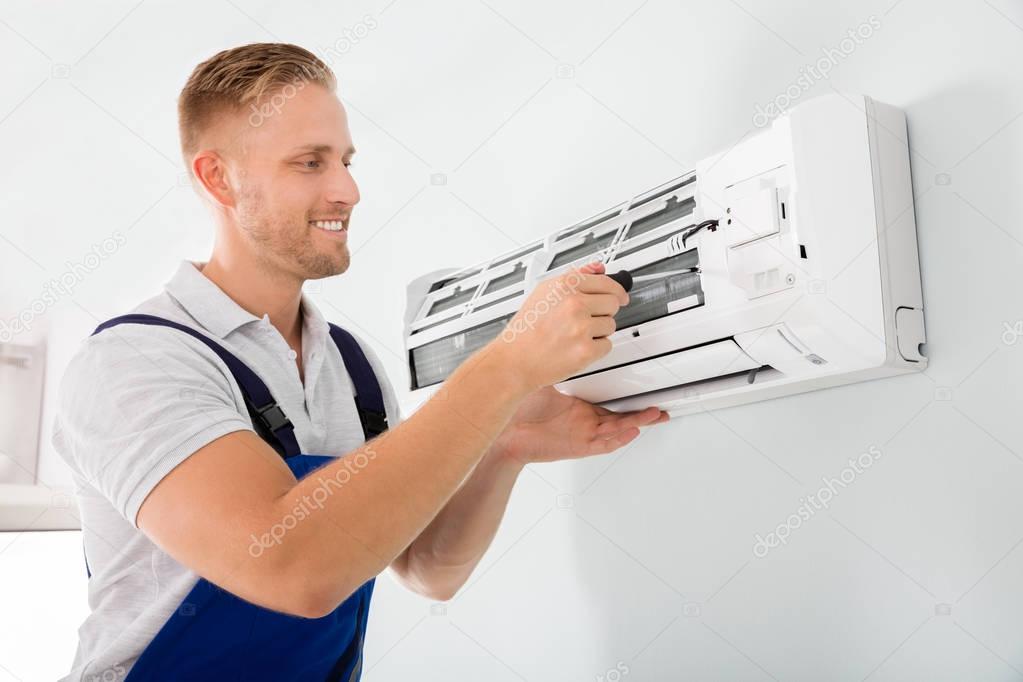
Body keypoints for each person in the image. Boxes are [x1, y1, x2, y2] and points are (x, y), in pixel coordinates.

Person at [52, 42, 669, 681]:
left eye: (345, 161)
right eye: (309, 163)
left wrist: (503, 447)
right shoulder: (132, 364)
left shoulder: (352, 367)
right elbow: (292, 567)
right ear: (219, 177)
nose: (347, 190)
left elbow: (427, 568)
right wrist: (505, 366)